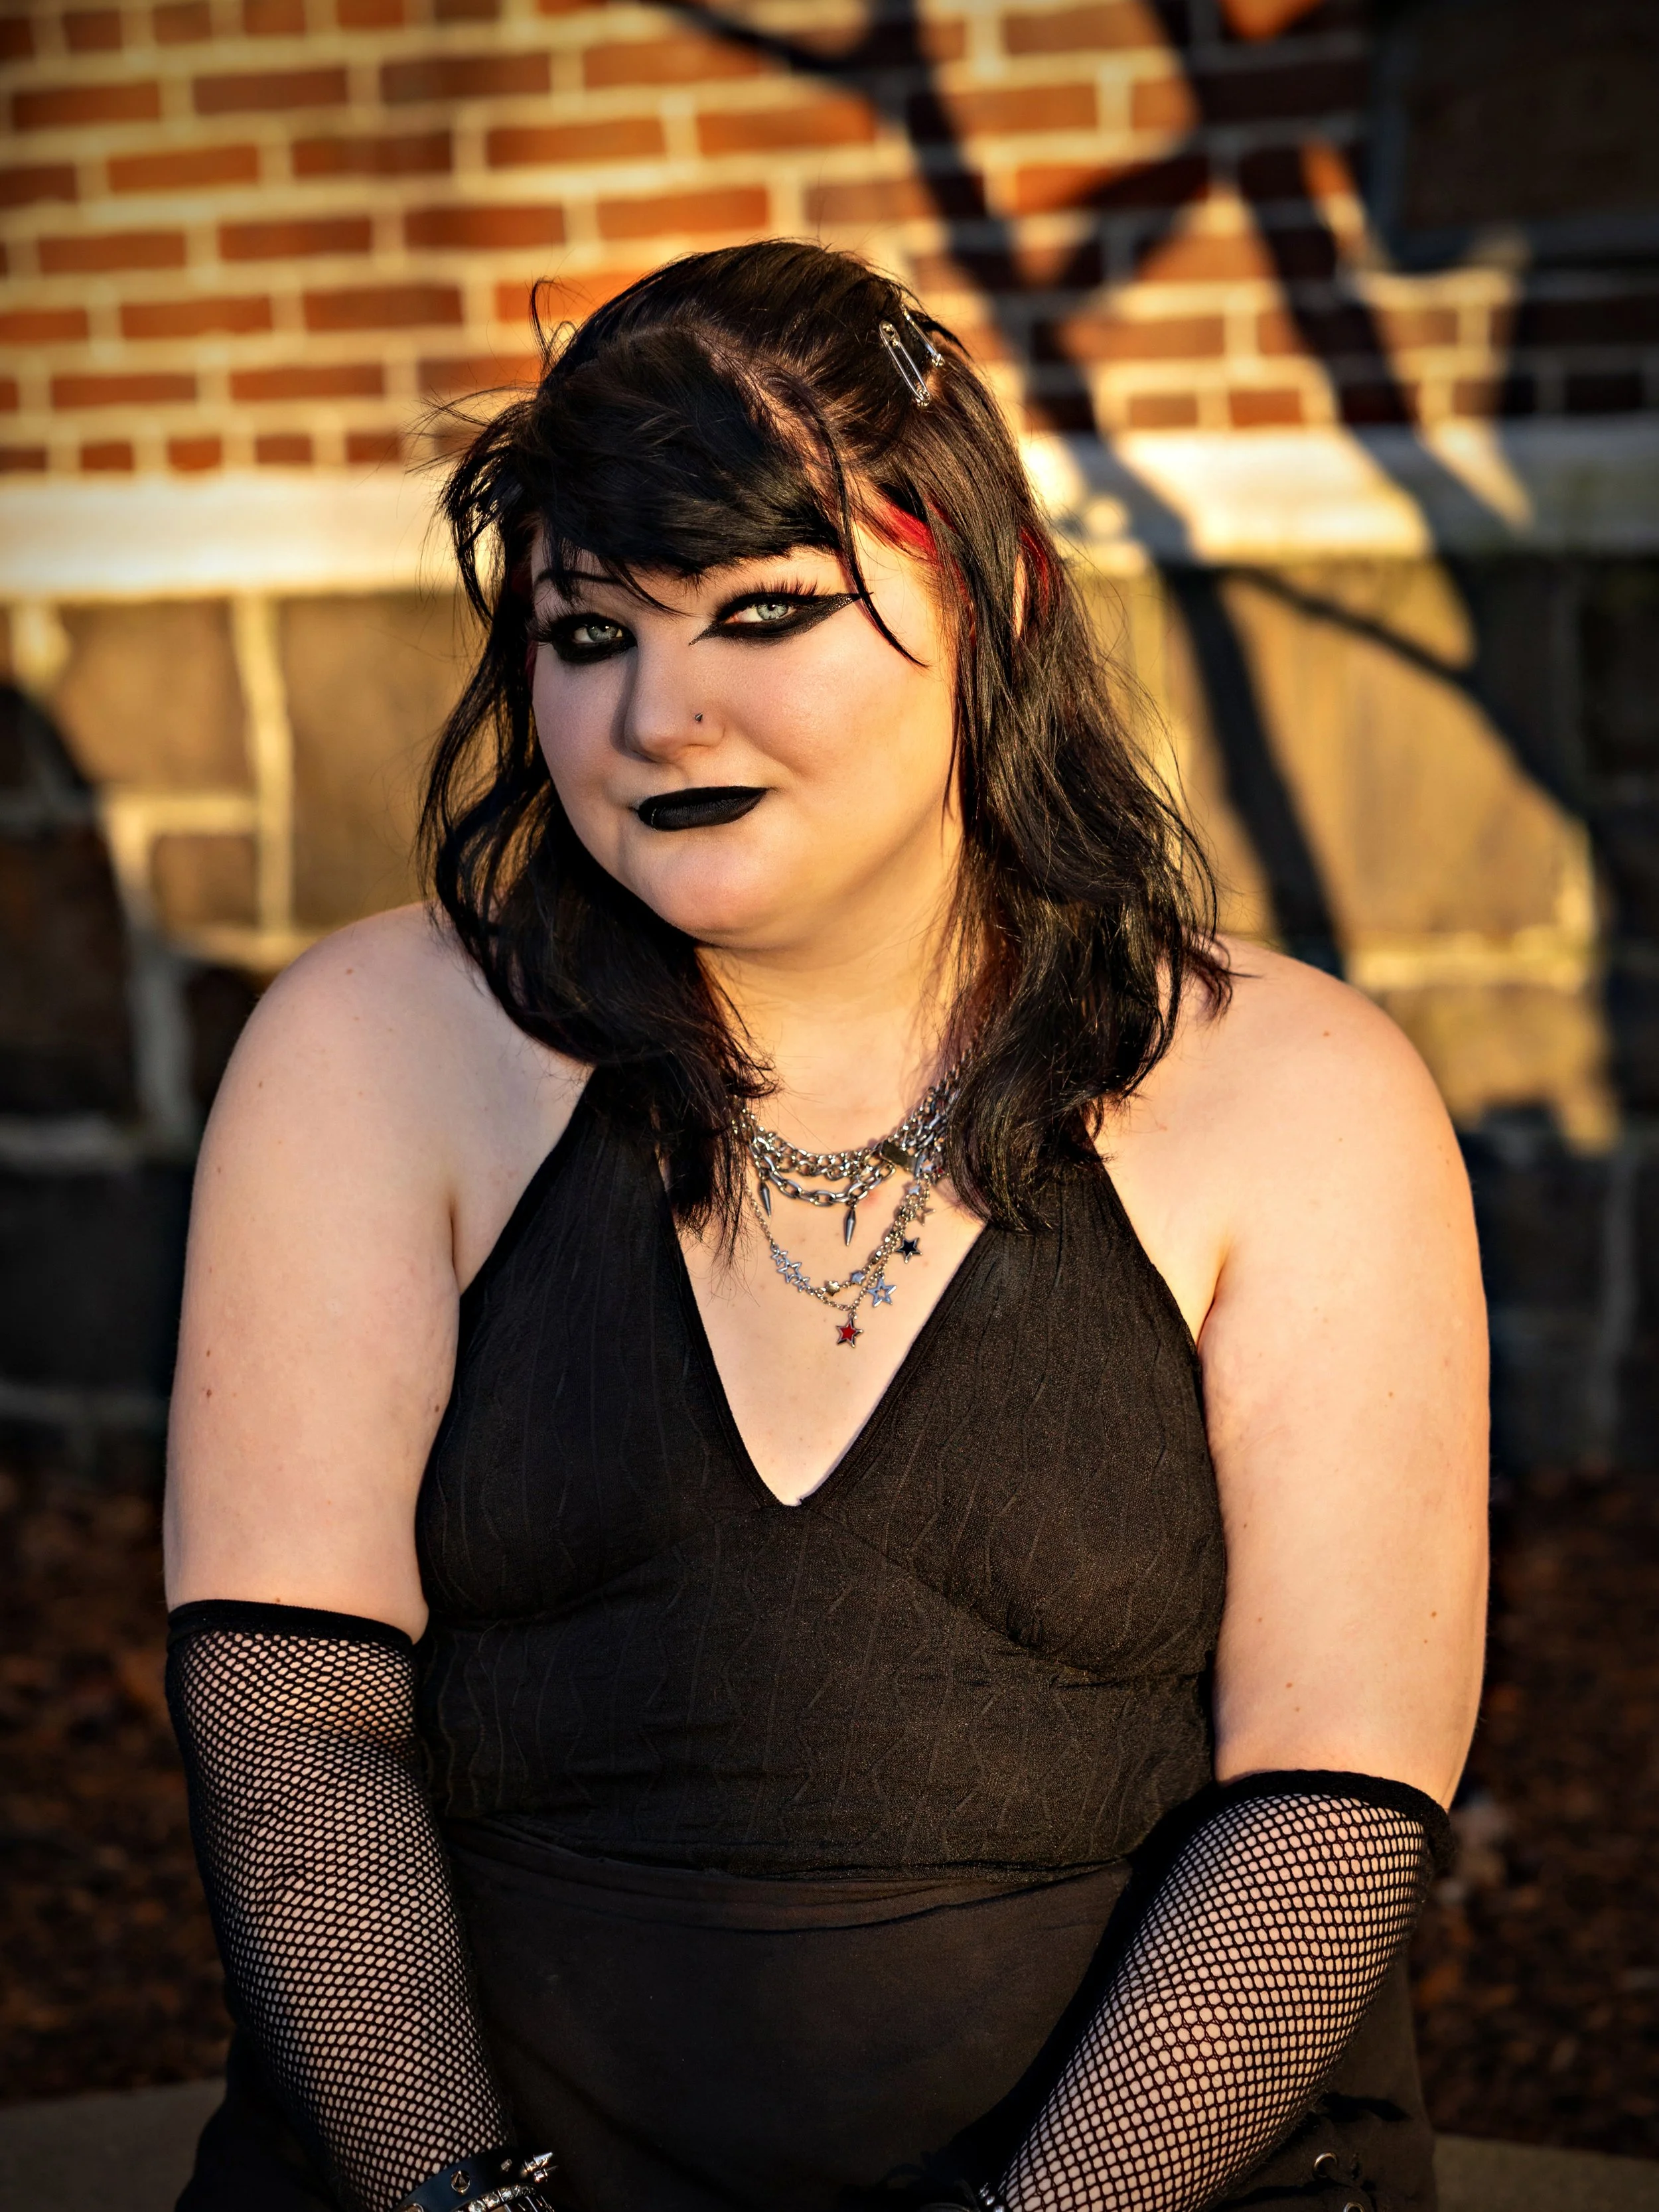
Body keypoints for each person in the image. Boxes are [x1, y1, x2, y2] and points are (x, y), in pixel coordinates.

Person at [163, 242, 1488, 2212]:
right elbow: (295, 1722)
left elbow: (1325, 1803)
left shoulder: (1291, 1091)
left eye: (763, 613)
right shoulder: (374, 1048)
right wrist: (464, 2201)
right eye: (588, 632)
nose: (656, 715)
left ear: (999, 600)